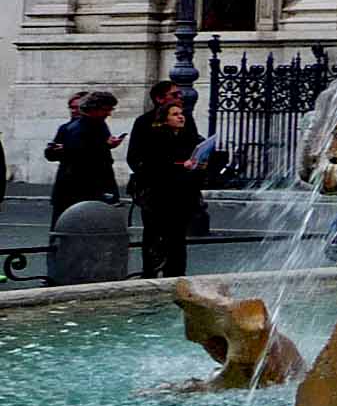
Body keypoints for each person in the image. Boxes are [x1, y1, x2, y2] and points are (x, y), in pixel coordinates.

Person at [129, 97, 216, 282]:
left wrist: (199, 165)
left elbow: (192, 160)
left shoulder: (187, 136)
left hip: (182, 194)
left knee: (177, 236)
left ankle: (176, 274)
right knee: (155, 234)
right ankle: (151, 273)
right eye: (175, 114)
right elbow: (154, 165)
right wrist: (181, 165)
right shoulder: (155, 137)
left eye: (181, 113)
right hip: (159, 194)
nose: (181, 117)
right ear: (165, 118)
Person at [45, 91, 121, 223]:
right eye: (106, 109)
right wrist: (104, 145)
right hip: (80, 188)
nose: (109, 113)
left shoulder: (98, 125)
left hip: (88, 187)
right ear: (94, 108)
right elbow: (84, 158)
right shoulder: (76, 128)